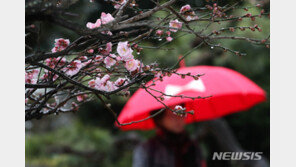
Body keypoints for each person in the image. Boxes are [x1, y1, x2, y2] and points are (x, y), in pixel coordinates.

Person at [132, 105, 206, 167]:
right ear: (160, 119)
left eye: (181, 113)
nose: (178, 119)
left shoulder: (192, 146)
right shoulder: (148, 149)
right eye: (172, 115)